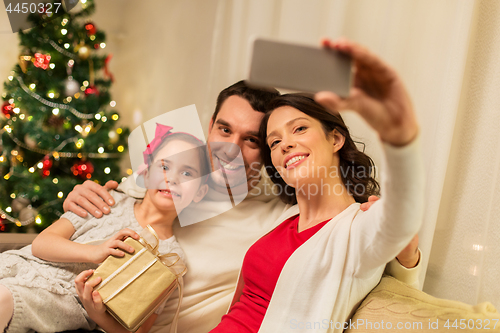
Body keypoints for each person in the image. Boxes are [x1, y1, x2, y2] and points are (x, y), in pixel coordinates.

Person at [62, 71, 421, 332]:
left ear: (265, 155)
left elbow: (356, 246)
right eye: (224, 130)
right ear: (209, 128)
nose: (229, 151)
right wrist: (86, 194)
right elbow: (106, 211)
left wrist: (406, 256)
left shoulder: (279, 215)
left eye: (251, 140)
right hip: (75, 304)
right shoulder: (163, 183)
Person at [211, 38, 423, 332]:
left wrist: (397, 131)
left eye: (299, 128)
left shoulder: (356, 229)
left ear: (335, 139)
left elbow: (401, 219)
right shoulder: (285, 217)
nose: (286, 144)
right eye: (274, 141)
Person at [0, 125, 209, 333]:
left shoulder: (171, 258)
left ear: (200, 192)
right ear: (145, 174)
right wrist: (96, 252)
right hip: (20, 265)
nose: (172, 178)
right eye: (164, 167)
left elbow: (139, 329)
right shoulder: (107, 200)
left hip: (58, 301)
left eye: (187, 172)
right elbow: (41, 244)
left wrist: (96, 313)